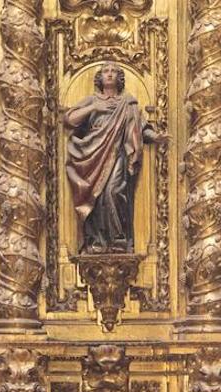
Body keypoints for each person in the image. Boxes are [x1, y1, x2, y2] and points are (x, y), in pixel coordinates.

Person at [63, 61, 162, 253]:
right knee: (96, 197)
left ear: (119, 78)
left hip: (117, 156)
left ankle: (118, 238)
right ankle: (97, 241)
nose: (109, 74)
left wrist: (156, 137)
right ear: (100, 78)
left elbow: (140, 128)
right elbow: (68, 120)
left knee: (113, 192)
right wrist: (93, 109)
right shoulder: (92, 100)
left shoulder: (128, 103)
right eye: (105, 71)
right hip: (92, 157)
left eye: (114, 72)